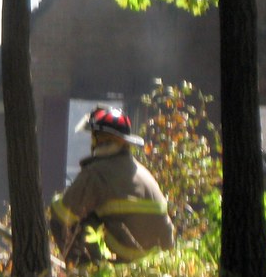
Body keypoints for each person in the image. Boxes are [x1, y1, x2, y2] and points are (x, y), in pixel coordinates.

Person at [50, 105, 175, 263]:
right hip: (161, 262)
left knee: (62, 218)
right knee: (95, 213)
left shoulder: (97, 172)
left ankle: (86, 273)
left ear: (99, 139)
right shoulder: (141, 171)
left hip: (129, 262)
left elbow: (62, 214)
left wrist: (57, 201)